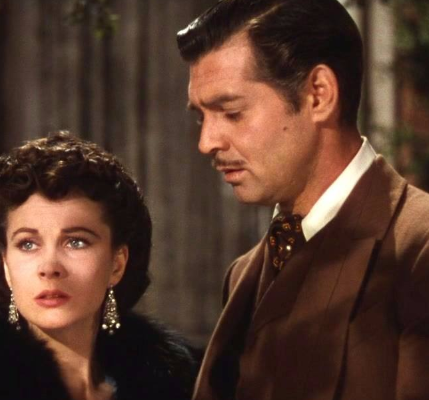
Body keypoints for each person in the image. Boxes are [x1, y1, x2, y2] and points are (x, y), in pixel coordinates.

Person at [176, 0, 429, 399]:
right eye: (200, 116)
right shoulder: (244, 273)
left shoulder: (418, 248)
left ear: (318, 95)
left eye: (232, 112)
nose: (206, 142)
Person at [0, 131, 200, 400]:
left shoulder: (180, 386)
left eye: (76, 242)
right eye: (28, 244)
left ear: (117, 264)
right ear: (6, 266)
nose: (49, 267)